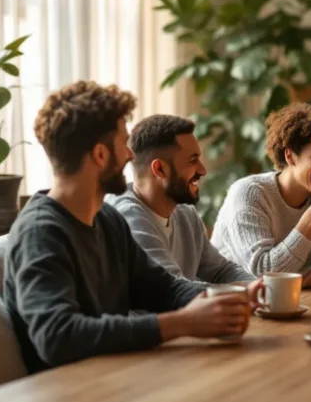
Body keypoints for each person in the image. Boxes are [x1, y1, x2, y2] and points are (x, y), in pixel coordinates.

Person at [5, 81, 255, 402]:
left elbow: (164, 287)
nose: (129, 153)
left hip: (120, 385)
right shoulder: (41, 233)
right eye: (123, 142)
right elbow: (57, 336)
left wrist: (234, 296)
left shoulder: (106, 220)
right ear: (100, 155)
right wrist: (183, 323)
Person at [211, 102, 311, 287]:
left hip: (289, 295)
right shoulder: (249, 194)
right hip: (230, 297)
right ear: (290, 156)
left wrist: (307, 281)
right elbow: (264, 271)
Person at [110, 114, 259, 291]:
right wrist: (244, 292)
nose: (203, 170)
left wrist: (260, 287)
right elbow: (174, 288)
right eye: (193, 160)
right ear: (160, 169)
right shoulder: (128, 219)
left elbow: (220, 270)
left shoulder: (185, 212)